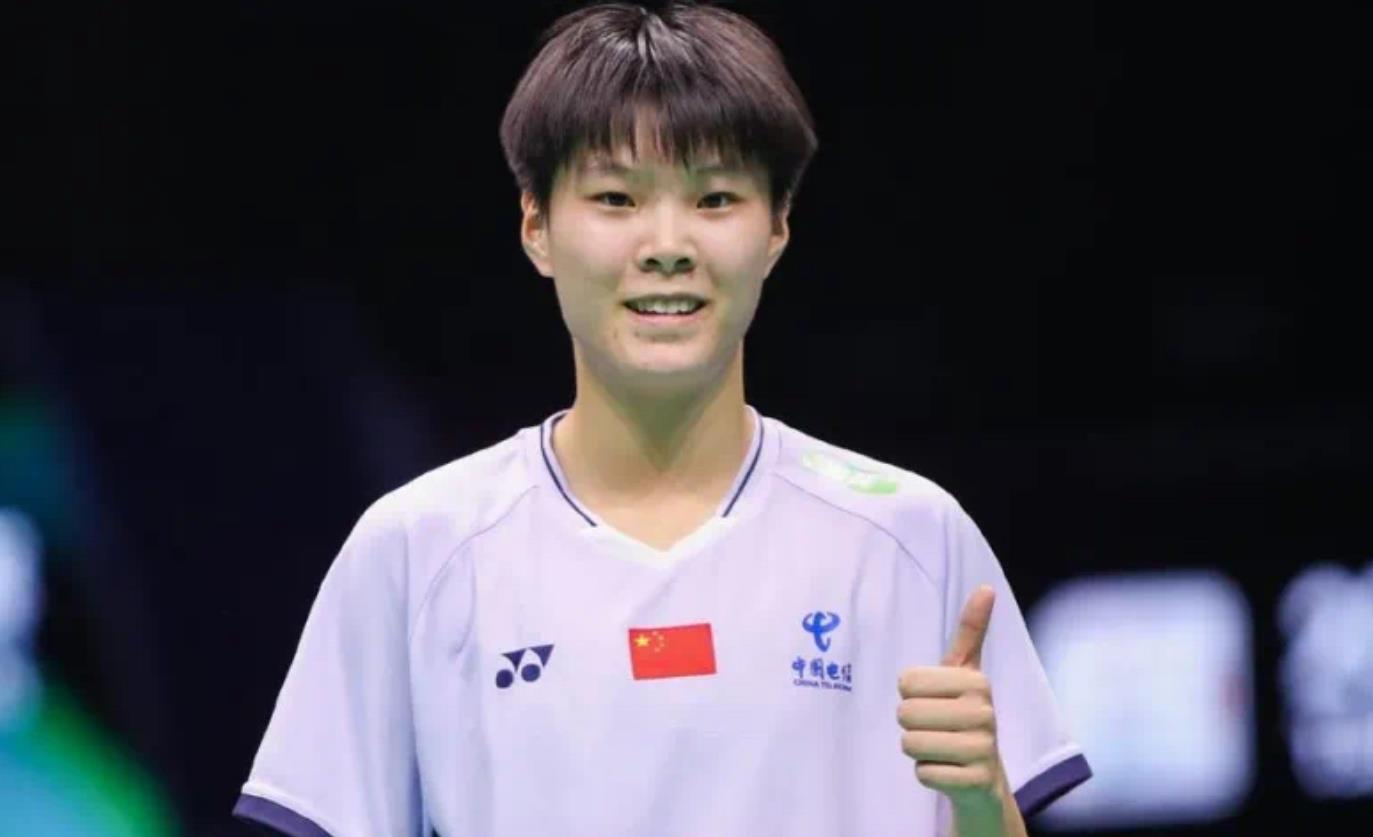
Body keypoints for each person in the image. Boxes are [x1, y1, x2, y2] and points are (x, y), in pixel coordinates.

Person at [233, 3, 1091, 835]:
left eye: (714, 199)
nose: (667, 244)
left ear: (777, 228)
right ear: (535, 226)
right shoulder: (416, 550)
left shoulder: (911, 536)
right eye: (616, 198)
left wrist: (983, 802)